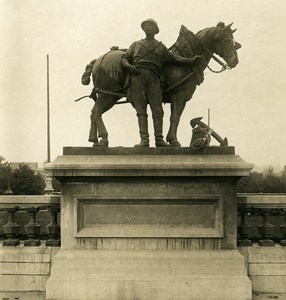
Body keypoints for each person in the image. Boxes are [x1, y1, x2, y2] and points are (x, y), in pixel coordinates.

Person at [121, 18, 202, 147]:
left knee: (157, 110)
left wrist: (191, 61)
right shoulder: (136, 44)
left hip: (154, 79)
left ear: (155, 30)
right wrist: (129, 67)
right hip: (137, 78)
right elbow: (124, 58)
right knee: (141, 110)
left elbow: (175, 58)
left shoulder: (160, 46)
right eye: (146, 26)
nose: (148, 28)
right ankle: (144, 139)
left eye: (151, 26)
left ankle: (159, 139)